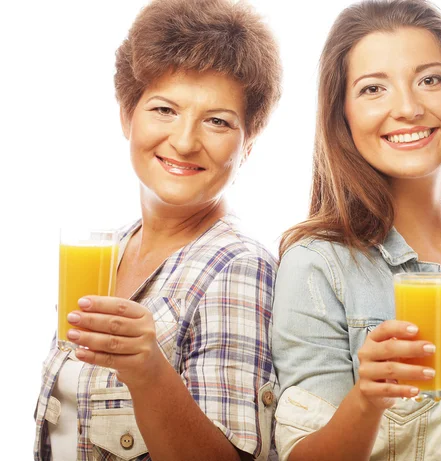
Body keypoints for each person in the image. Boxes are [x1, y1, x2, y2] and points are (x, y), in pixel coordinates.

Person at [272, 0, 441, 460]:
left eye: (429, 80)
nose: (407, 108)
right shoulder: (317, 265)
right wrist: (367, 398)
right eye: (372, 89)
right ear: (341, 114)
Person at [34, 0, 281, 460]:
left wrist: (150, 372)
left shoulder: (239, 269)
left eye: (217, 121)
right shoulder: (110, 250)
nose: (185, 141)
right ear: (128, 115)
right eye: (165, 109)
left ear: (249, 142)